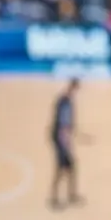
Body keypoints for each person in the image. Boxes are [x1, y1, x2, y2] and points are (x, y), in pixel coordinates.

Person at [47, 78, 83, 210]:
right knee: (60, 170)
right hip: (60, 139)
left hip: (62, 138)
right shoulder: (65, 102)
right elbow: (63, 124)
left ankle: (71, 195)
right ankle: (54, 199)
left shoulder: (65, 100)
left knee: (71, 167)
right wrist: (65, 143)